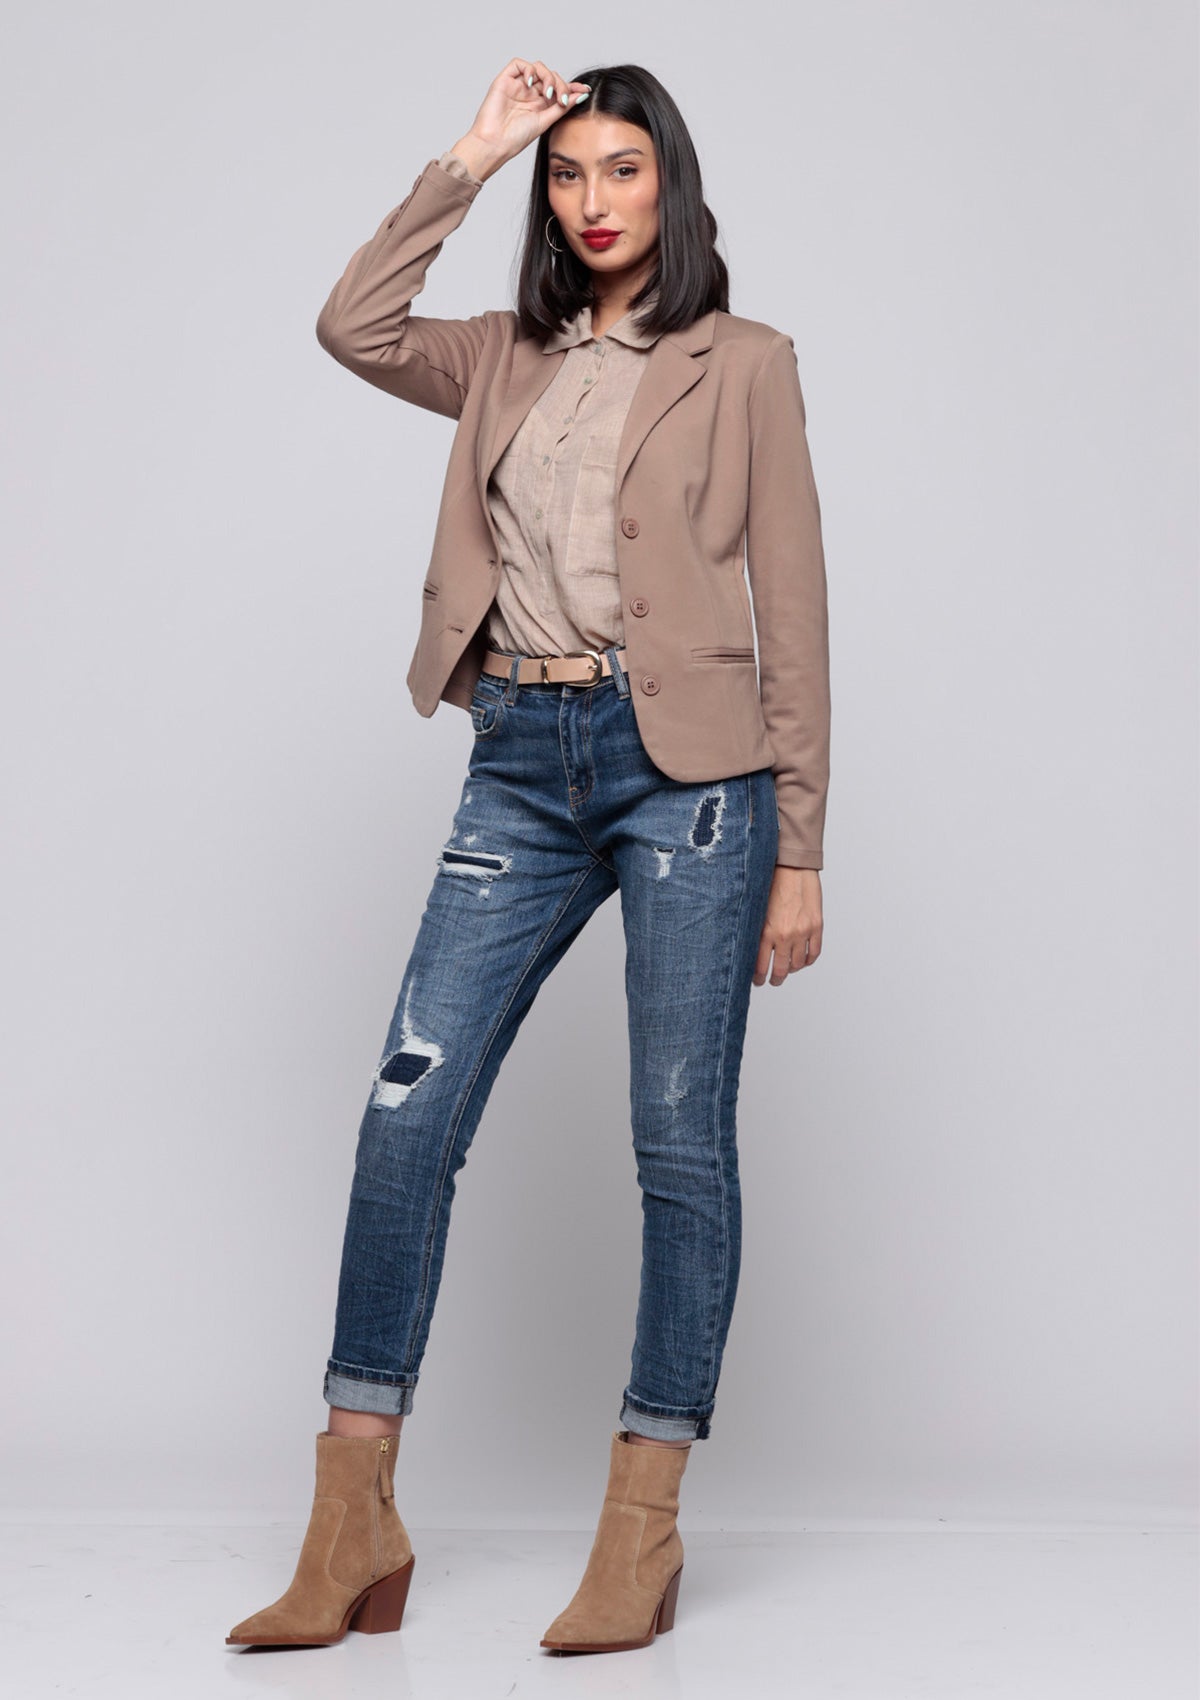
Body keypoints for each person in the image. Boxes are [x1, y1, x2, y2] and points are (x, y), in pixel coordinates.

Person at [226, 55, 830, 1657]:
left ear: (670, 185)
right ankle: (353, 1523)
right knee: (406, 1120)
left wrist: (803, 849)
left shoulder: (744, 363)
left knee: (678, 1145)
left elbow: (793, 606)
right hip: (517, 757)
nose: (593, 199)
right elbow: (353, 324)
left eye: (621, 169)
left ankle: (642, 1530)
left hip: (693, 781)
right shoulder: (499, 354)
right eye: (570, 175)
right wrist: (475, 153)